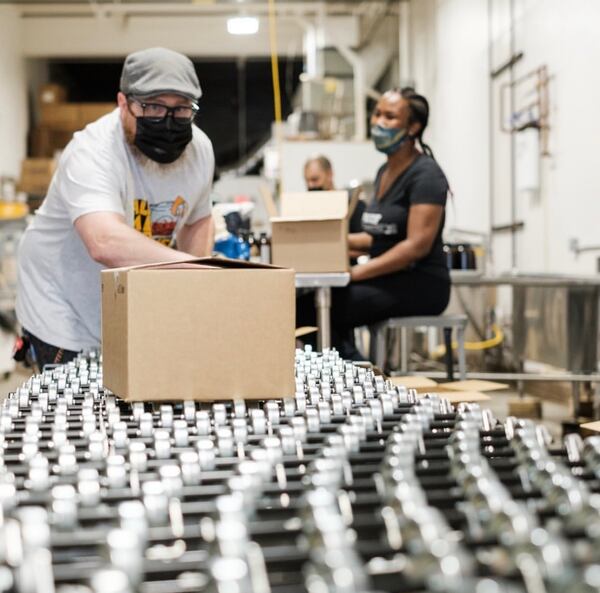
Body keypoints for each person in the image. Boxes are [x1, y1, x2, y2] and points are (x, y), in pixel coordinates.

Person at [16, 47, 215, 369]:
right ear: (123, 103)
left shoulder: (199, 149)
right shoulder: (92, 151)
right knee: (79, 411)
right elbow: (105, 241)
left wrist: (190, 287)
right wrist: (194, 267)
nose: (167, 121)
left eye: (181, 110)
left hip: (129, 302)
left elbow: (198, 220)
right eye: (153, 107)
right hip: (64, 307)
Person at [297, 87, 451, 360]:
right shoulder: (385, 172)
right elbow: (377, 238)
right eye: (377, 113)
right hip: (389, 278)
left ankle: (362, 379)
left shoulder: (426, 175)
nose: (378, 122)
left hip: (421, 283)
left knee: (314, 311)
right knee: (306, 306)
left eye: (389, 117)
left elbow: (415, 246)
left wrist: (355, 274)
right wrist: (314, 244)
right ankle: (348, 369)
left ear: (413, 127)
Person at [303, 155, 365, 234]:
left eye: (315, 179)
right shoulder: (306, 209)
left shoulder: (352, 205)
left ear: (330, 174)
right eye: (307, 181)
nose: (310, 185)